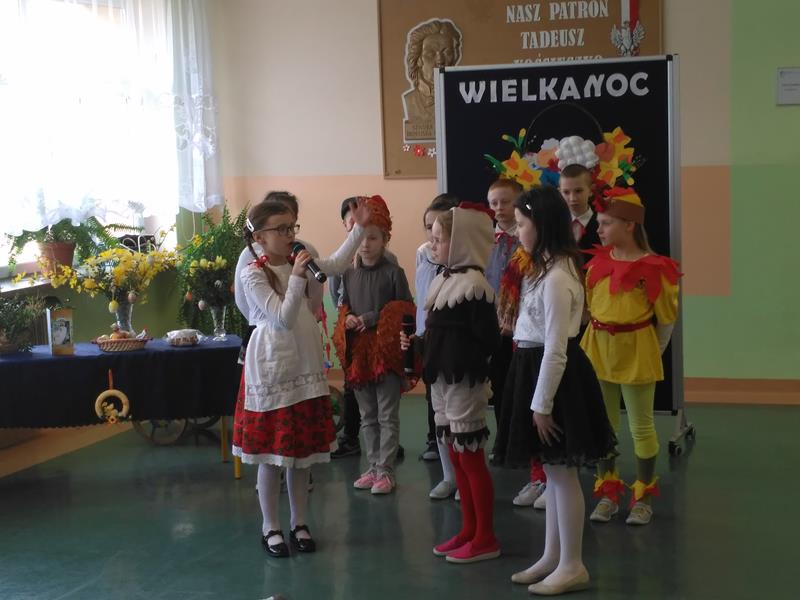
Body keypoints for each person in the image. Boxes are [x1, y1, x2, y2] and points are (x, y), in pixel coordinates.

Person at [493, 186, 616, 595]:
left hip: (555, 379)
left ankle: (573, 564)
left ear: (542, 225)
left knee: (563, 476)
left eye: (522, 224)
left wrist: (542, 405)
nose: (517, 231)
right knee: (552, 473)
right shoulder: (540, 269)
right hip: (534, 369)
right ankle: (552, 556)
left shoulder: (559, 276)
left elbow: (557, 348)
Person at [233, 198, 371, 557]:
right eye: (280, 229)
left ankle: (300, 522)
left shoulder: (301, 260)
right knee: (272, 456)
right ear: (259, 237)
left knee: (301, 456)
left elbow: (336, 263)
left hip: (304, 364)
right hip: (273, 367)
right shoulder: (252, 273)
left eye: (292, 227)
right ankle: (270, 526)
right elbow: (281, 317)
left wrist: (358, 229)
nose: (289, 234)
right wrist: (296, 278)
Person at [402, 203, 501, 564]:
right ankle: (468, 529)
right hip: (442, 381)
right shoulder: (444, 280)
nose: (433, 244)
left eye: (440, 239)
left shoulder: (475, 286)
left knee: (470, 458)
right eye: (432, 238)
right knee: (457, 456)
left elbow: (489, 340)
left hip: (464, 382)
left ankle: (485, 536)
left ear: (461, 242)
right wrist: (418, 346)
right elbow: (439, 334)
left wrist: (462, 359)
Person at [581, 187, 681, 526]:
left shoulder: (656, 268)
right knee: (603, 424)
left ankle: (643, 496)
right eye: (599, 223)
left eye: (606, 223)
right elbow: (589, 308)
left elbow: (666, 321)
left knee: (641, 426)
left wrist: (650, 352)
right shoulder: (597, 264)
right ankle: (608, 492)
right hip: (598, 349)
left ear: (629, 225)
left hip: (637, 349)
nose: (599, 229)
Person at [332, 196, 415, 495]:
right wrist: (348, 318)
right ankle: (373, 466)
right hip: (360, 354)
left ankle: (386, 470)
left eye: (373, 238)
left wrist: (370, 317)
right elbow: (343, 305)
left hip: (386, 353)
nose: (365, 244)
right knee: (367, 415)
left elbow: (405, 309)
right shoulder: (348, 273)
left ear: (385, 239)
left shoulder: (394, 273)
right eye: (361, 238)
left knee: (386, 414)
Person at [415, 194, 460, 501]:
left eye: (438, 229)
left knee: (461, 416)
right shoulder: (423, 253)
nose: (432, 235)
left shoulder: (464, 262)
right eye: (428, 227)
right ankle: (448, 476)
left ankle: (464, 475)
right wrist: (418, 334)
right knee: (438, 411)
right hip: (428, 340)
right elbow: (422, 296)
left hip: (455, 346)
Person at [402, 18, 462, 142]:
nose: (440, 60)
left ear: (454, 57)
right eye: (431, 54)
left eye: (447, 52)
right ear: (418, 60)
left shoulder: (463, 97)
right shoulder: (410, 100)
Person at [558, 163, 600, 250]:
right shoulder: (554, 223)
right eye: (566, 192)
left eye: (578, 191)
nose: (572, 198)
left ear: (591, 190)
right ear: (559, 192)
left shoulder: (602, 223)